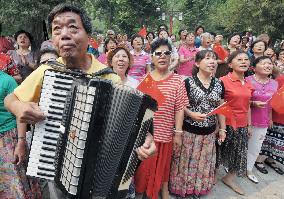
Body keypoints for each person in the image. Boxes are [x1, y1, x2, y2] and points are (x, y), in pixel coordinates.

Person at [4, 2, 155, 188]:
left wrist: (146, 138)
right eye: (57, 29)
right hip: (53, 162)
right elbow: (10, 98)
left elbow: (130, 124)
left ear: (88, 35)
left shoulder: (108, 76)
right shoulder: (48, 70)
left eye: (73, 27)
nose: (64, 34)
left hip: (96, 170)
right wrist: (19, 107)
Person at [134, 38, 189, 199]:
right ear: (152, 57)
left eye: (166, 53)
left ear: (171, 56)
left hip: (165, 136)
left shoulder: (178, 81)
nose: (162, 56)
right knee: (143, 172)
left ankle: (155, 194)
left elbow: (180, 108)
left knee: (161, 169)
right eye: (158, 53)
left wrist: (178, 133)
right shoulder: (143, 80)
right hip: (145, 136)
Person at [169, 50, 226, 199]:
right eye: (207, 58)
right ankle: (181, 189)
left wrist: (222, 129)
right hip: (189, 131)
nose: (212, 62)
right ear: (197, 63)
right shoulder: (187, 82)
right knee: (185, 161)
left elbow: (221, 107)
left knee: (204, 162)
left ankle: (197, 188)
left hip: (209, 132)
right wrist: (191, 114)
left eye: (214, 59)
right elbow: (179, 105)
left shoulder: (219, 83)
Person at [0, 64, 42, 198]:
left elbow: (20, 113)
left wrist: (21, 142)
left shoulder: (7, 81)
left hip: (9, 137)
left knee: (16, 184)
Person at [218, 50, 253, 195]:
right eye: (239, 59)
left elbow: (248, 105)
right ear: (230, 64)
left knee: (239, 154)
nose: (244, 61)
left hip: (242, 124)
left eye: (246, 59)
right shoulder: (223, 81)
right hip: (225, 124)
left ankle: (229, 178)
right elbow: (219, 105)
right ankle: (211, 176)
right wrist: (219, 127)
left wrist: (249, 124)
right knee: (219, 152)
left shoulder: (249, 83)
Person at [246, 56, 278, 183]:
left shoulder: (274, 83)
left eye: (269, 63)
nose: (267, 65)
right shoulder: (247, 80)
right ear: (254, 68)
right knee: (240, 144)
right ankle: (232, 166)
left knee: (255, 147)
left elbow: (272, 103)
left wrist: (270, 118)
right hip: (245, 120)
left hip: (263, 121)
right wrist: (253, 103)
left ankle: (248, 169)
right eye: (263, 63)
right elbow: (242, 101)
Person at [255, 72, 284, 176]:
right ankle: (259, 160)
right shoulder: (280, 80)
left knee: (279, 143)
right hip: (278, 116)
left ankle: (270, 159)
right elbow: (272, 98)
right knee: (268, 140)